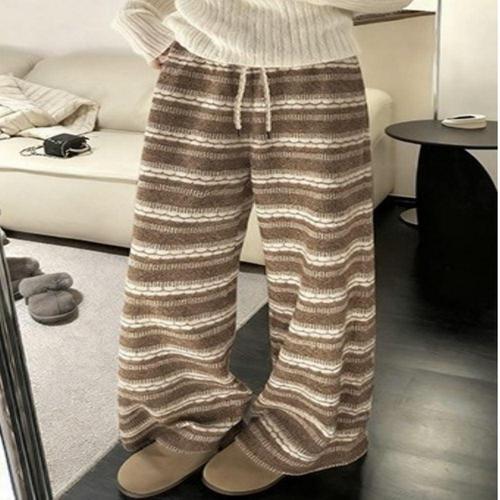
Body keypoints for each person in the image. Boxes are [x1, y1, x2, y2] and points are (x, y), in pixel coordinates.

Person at [111, 0, 412, 497]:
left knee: (323, 270)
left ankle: (306, 425)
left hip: (316, 76)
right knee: (170, 267)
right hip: (195, 71)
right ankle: (185, 416)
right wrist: (138, 19)